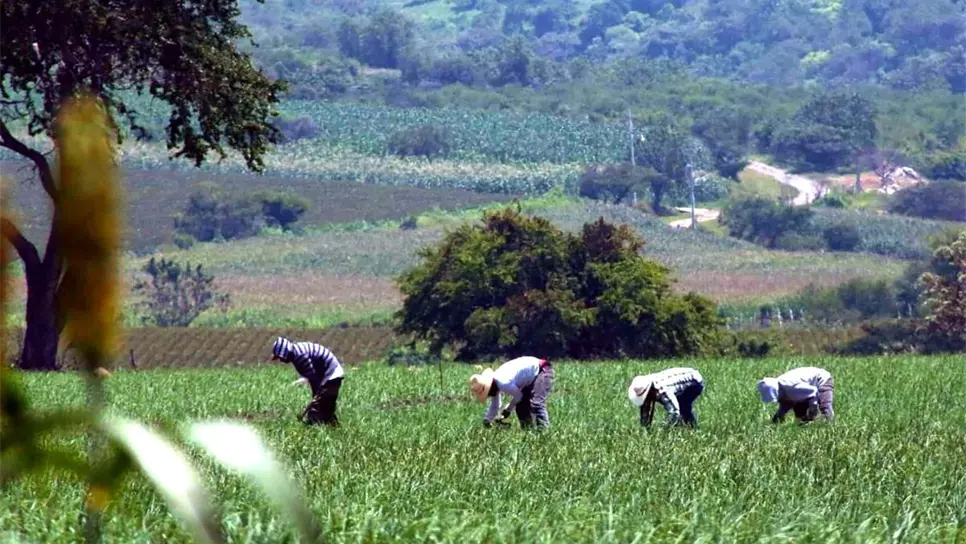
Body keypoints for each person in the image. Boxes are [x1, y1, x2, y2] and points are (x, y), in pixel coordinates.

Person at [271, 337, 344, 426]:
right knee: (326, 408)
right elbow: (310, 375)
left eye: (281, 357)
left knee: (316, 410)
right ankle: (334, 427)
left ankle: (321, 427)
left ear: (286, 353)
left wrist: (316, 396)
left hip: (332, 375)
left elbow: (313, 378)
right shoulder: (297, 352)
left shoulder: (300, 356)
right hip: (330, 375)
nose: (281, 360)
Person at [468, 356, 554, 429]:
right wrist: (487, 420)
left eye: (487, 393)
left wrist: (508, 409)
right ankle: (529, 431)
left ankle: (544, 433)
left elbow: (519, 396)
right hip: (528, 378)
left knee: (537, 404)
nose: (489, 395)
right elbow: (495, 405)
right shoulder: (495, 383)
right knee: (521, 407)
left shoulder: (502, 382)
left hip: (541, 370)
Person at [627, 367, 705, 428]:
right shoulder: (645, 385)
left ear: (649, 391)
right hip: (681, 380)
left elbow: (674, 412)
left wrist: (664, 429)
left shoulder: (662, 390)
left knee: (683, 407)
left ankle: (692, 428)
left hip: (694, 381)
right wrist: (645, 428)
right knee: (681, 410)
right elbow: (645, 409)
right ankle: (688, 427)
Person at [757, 366, 834, 424]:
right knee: (800, 414)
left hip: (821, 379)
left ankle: (830, 425)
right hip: (806, 388)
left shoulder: (791, 386)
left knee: (825, 406)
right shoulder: (783, 390)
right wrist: (778, 416)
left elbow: (813, 392)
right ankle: (805, 429)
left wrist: (812, 408)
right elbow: (787, 403)